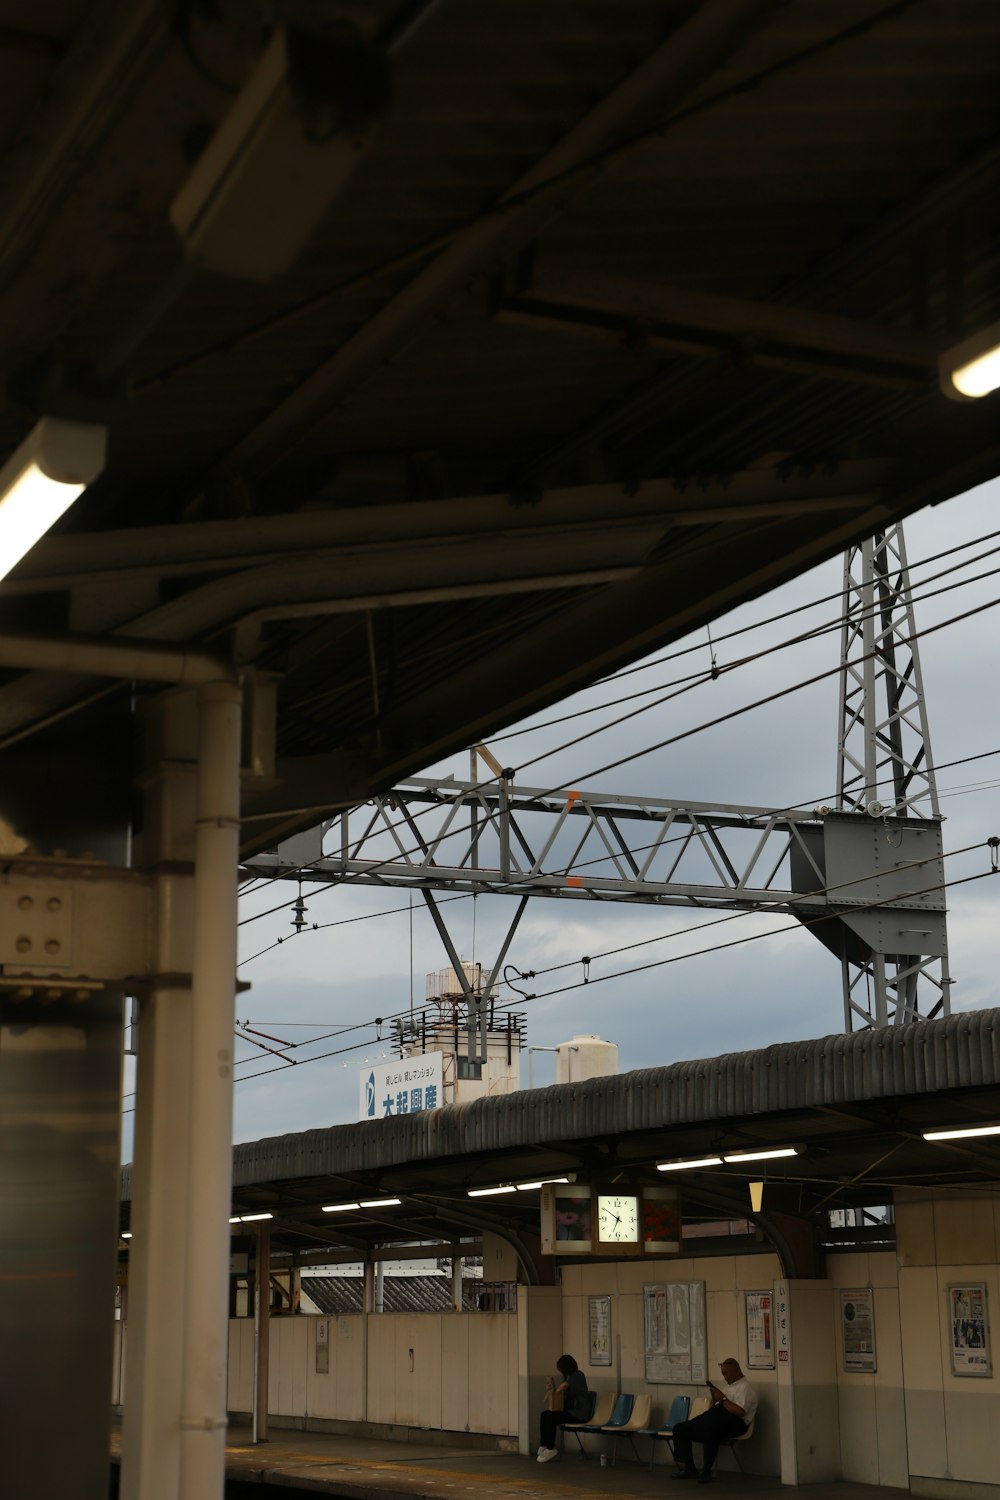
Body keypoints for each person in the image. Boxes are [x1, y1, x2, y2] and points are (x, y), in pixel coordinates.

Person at [671, 1356, 757, 1483]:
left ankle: (706, 1472)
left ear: (737, 1371)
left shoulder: (746, 1388)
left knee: (711, 1430)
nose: (724, 1377)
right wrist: (715, 1400)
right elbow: (715, 1409)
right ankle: (689, 1468)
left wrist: (722, 1399)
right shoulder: (728, 1387)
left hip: (737, 1424)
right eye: (723, 1374)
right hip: (719, 1421)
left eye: (726, 1373)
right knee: (680, 1429)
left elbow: (740, 1411)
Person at [537, 1354, 590, 1463]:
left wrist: (555, 1389)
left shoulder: (578, 1375)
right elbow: (561, 1393)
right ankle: (544, 1444)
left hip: (578, 1414)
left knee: (551, 1417)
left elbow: (562, 1388)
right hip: (570, 1412)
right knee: (545, 1414)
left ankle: (550, 1447)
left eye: (561, 1369)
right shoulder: (569, 1377)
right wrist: (552, 1387)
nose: (561, 1372)